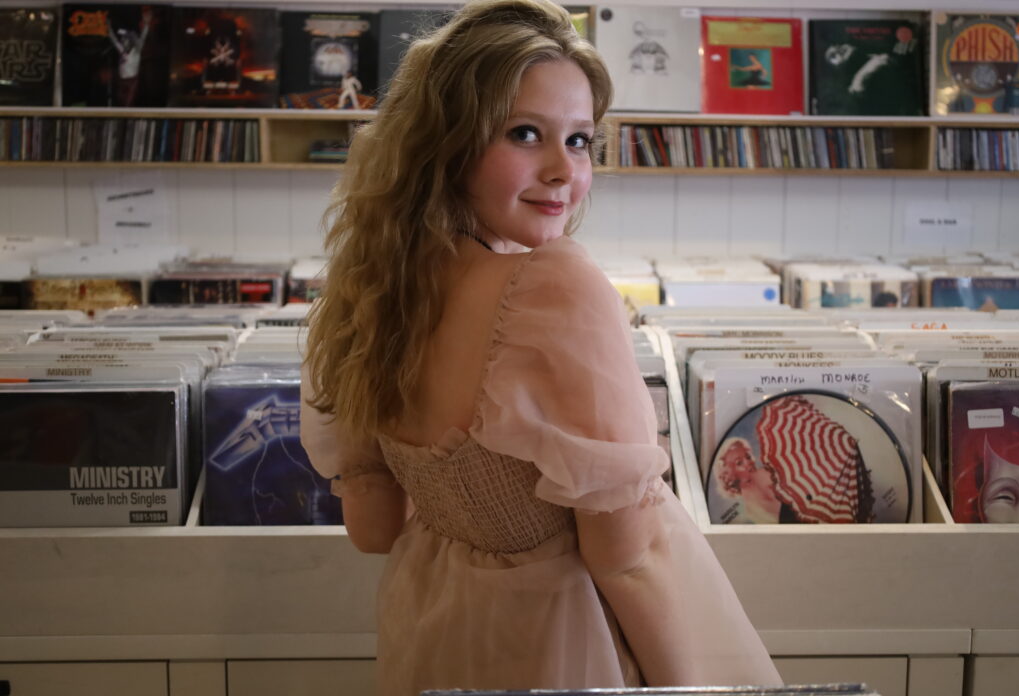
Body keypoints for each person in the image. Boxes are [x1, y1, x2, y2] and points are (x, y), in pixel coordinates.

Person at [301, 0, 782, 691]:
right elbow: (626, 557)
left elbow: (374, 528)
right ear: (448, 141)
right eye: (526, 134)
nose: (564, 171)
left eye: (580, 140)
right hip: (569, 639)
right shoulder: (553, 286)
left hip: (435, 626)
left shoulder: (366, 294)